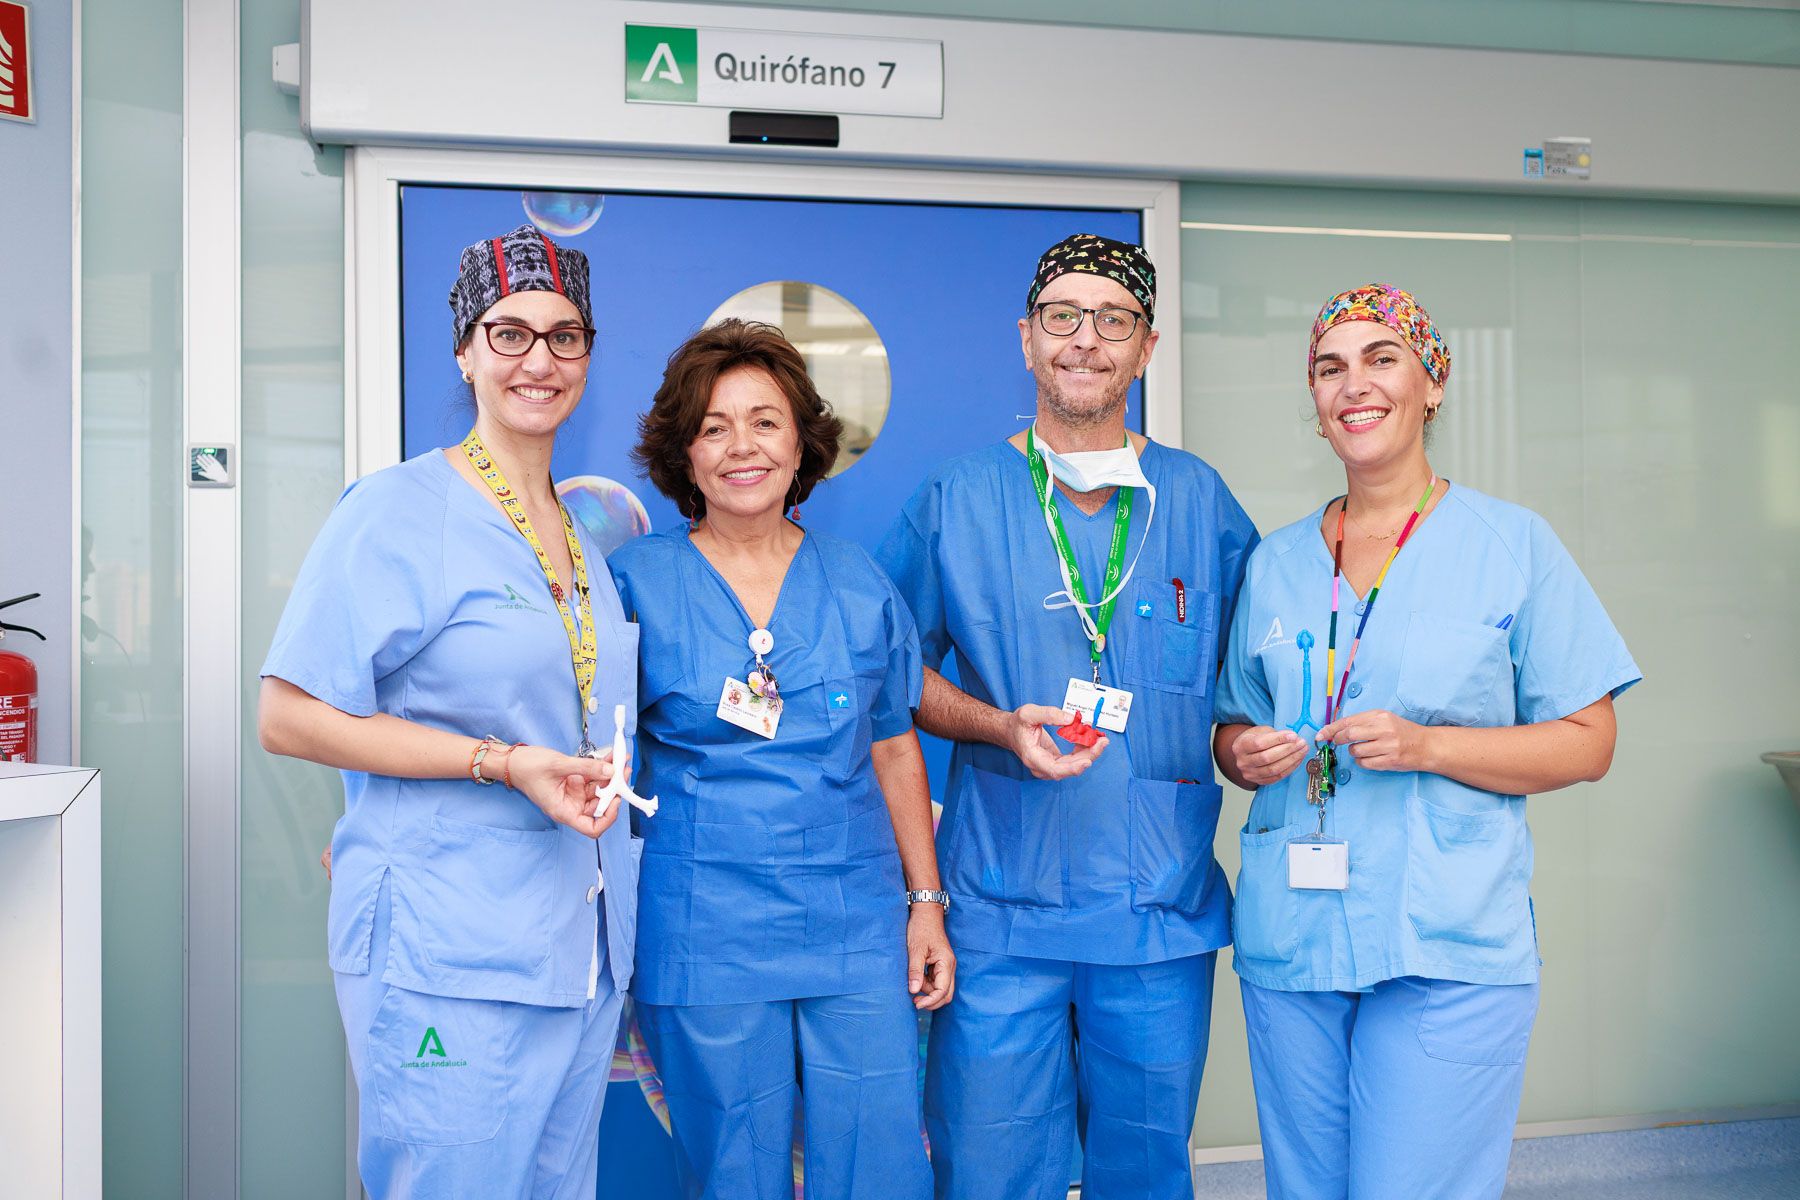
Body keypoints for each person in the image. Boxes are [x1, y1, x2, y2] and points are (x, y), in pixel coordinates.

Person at [1213, 283, 1640, 1200]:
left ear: (1432, 383)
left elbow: (1590, 740)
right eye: (1330, 367)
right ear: (1316, 399)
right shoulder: (1276, 561)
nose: (1354, 384)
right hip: (1294, 937)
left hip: (1447, 937)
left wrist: (1430, 748)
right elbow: (1233, 722)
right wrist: (1239, 752)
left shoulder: (1511, 545)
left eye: (1383, 358)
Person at [259, 224, 640, 1199]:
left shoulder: (581, 542)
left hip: (578, 951)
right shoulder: (396, 510)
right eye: (509, 333)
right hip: (450, 950)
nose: (539, 360)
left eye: (564, 336)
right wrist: (500, 762)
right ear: (465, 351)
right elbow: (288, 715)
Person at [875, 233, 1258, 1200]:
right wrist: (999, 725)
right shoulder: (959, 499)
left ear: (1147, 348)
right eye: (1063, 317)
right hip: (1002, 908)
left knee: (1147, 1167)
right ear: (1027, 338)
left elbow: (1248, 687)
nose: (1086, 339)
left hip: (1156, 909)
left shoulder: (1200, 501)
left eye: (1114, 320)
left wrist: (1251, 744)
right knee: (992, 1167)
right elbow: (892, 680)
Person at [607, 318, 952, 1200]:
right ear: (684, 454)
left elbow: (893, 744)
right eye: (713, 427)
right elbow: (588, 753)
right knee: (733, 1169)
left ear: (801, 443)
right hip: (704, 930)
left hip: (853, 924)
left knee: (879, 1165)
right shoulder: (633, 583)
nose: (742, 447)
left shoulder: (857, 580)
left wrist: (925, 905)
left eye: (765, 422)